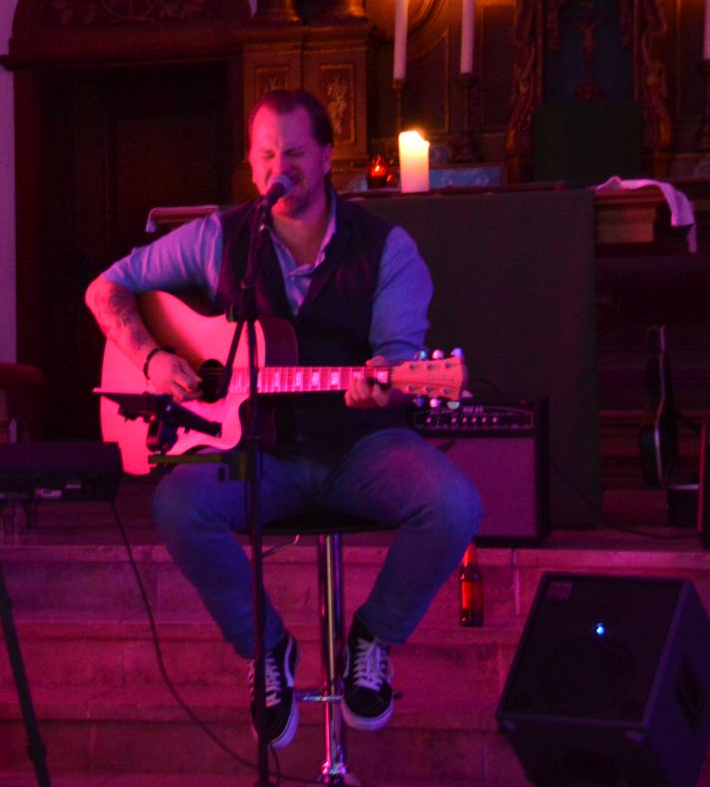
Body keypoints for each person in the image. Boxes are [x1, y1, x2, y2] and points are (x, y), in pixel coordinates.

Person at [85, 89, 481, 749]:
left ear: (326, 156)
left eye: (294, 152)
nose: (280, 168)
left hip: (361, 447)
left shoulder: (387, 248)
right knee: (180, 502)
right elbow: (106, 289)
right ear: (250, 164)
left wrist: (384, 386)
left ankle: (374, 637)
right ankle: (266, 646)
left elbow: (397, 362)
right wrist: (151, 358)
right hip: (258, 457)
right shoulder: (220, 238)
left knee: (454, 504)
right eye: (266, 155)